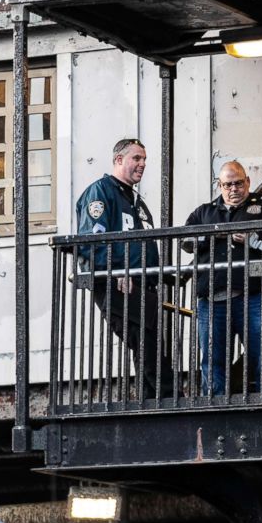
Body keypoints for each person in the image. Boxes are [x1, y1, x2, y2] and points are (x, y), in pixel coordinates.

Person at [76, 138, 174, 400]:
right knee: (144, 339)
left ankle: (150, 400)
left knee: (148, 341)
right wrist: (115, 271)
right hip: (117, 284)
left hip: (143, 284)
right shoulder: (101, 193)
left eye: (144, 159)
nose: (142, 164)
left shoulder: (132, 199)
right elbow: (92, 240)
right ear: (119, 160)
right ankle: (163, 397)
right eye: (136, 158)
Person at [182, 161, 262, 395]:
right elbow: (185, 241)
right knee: (212, 359)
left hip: (254, 297)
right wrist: (214, 235)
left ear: (248, 182)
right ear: (220, 185)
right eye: (228, 185)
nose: (234, 189)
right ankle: (214, 410)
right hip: (211, 298)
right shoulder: (204, 212)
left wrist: (253, 240)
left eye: (238, 183)